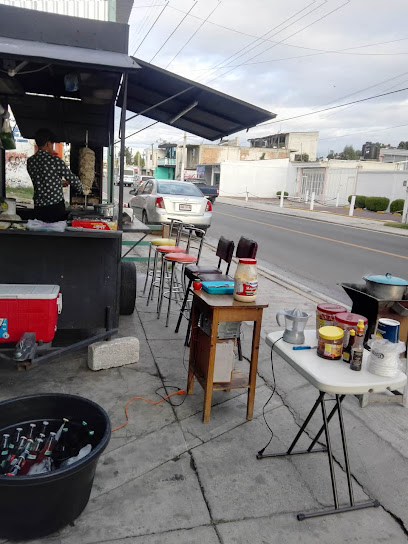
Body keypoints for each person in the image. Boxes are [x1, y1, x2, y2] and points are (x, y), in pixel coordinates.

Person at [27, 129, 83, 222]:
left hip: (38, 207)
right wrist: (82, 188)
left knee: (41, 232)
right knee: (57, 232)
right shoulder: (54, 160)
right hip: (55, 207)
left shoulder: (30, 161)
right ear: (48, 144)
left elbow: (42, 180)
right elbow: (71, 178)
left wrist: (59, 183)